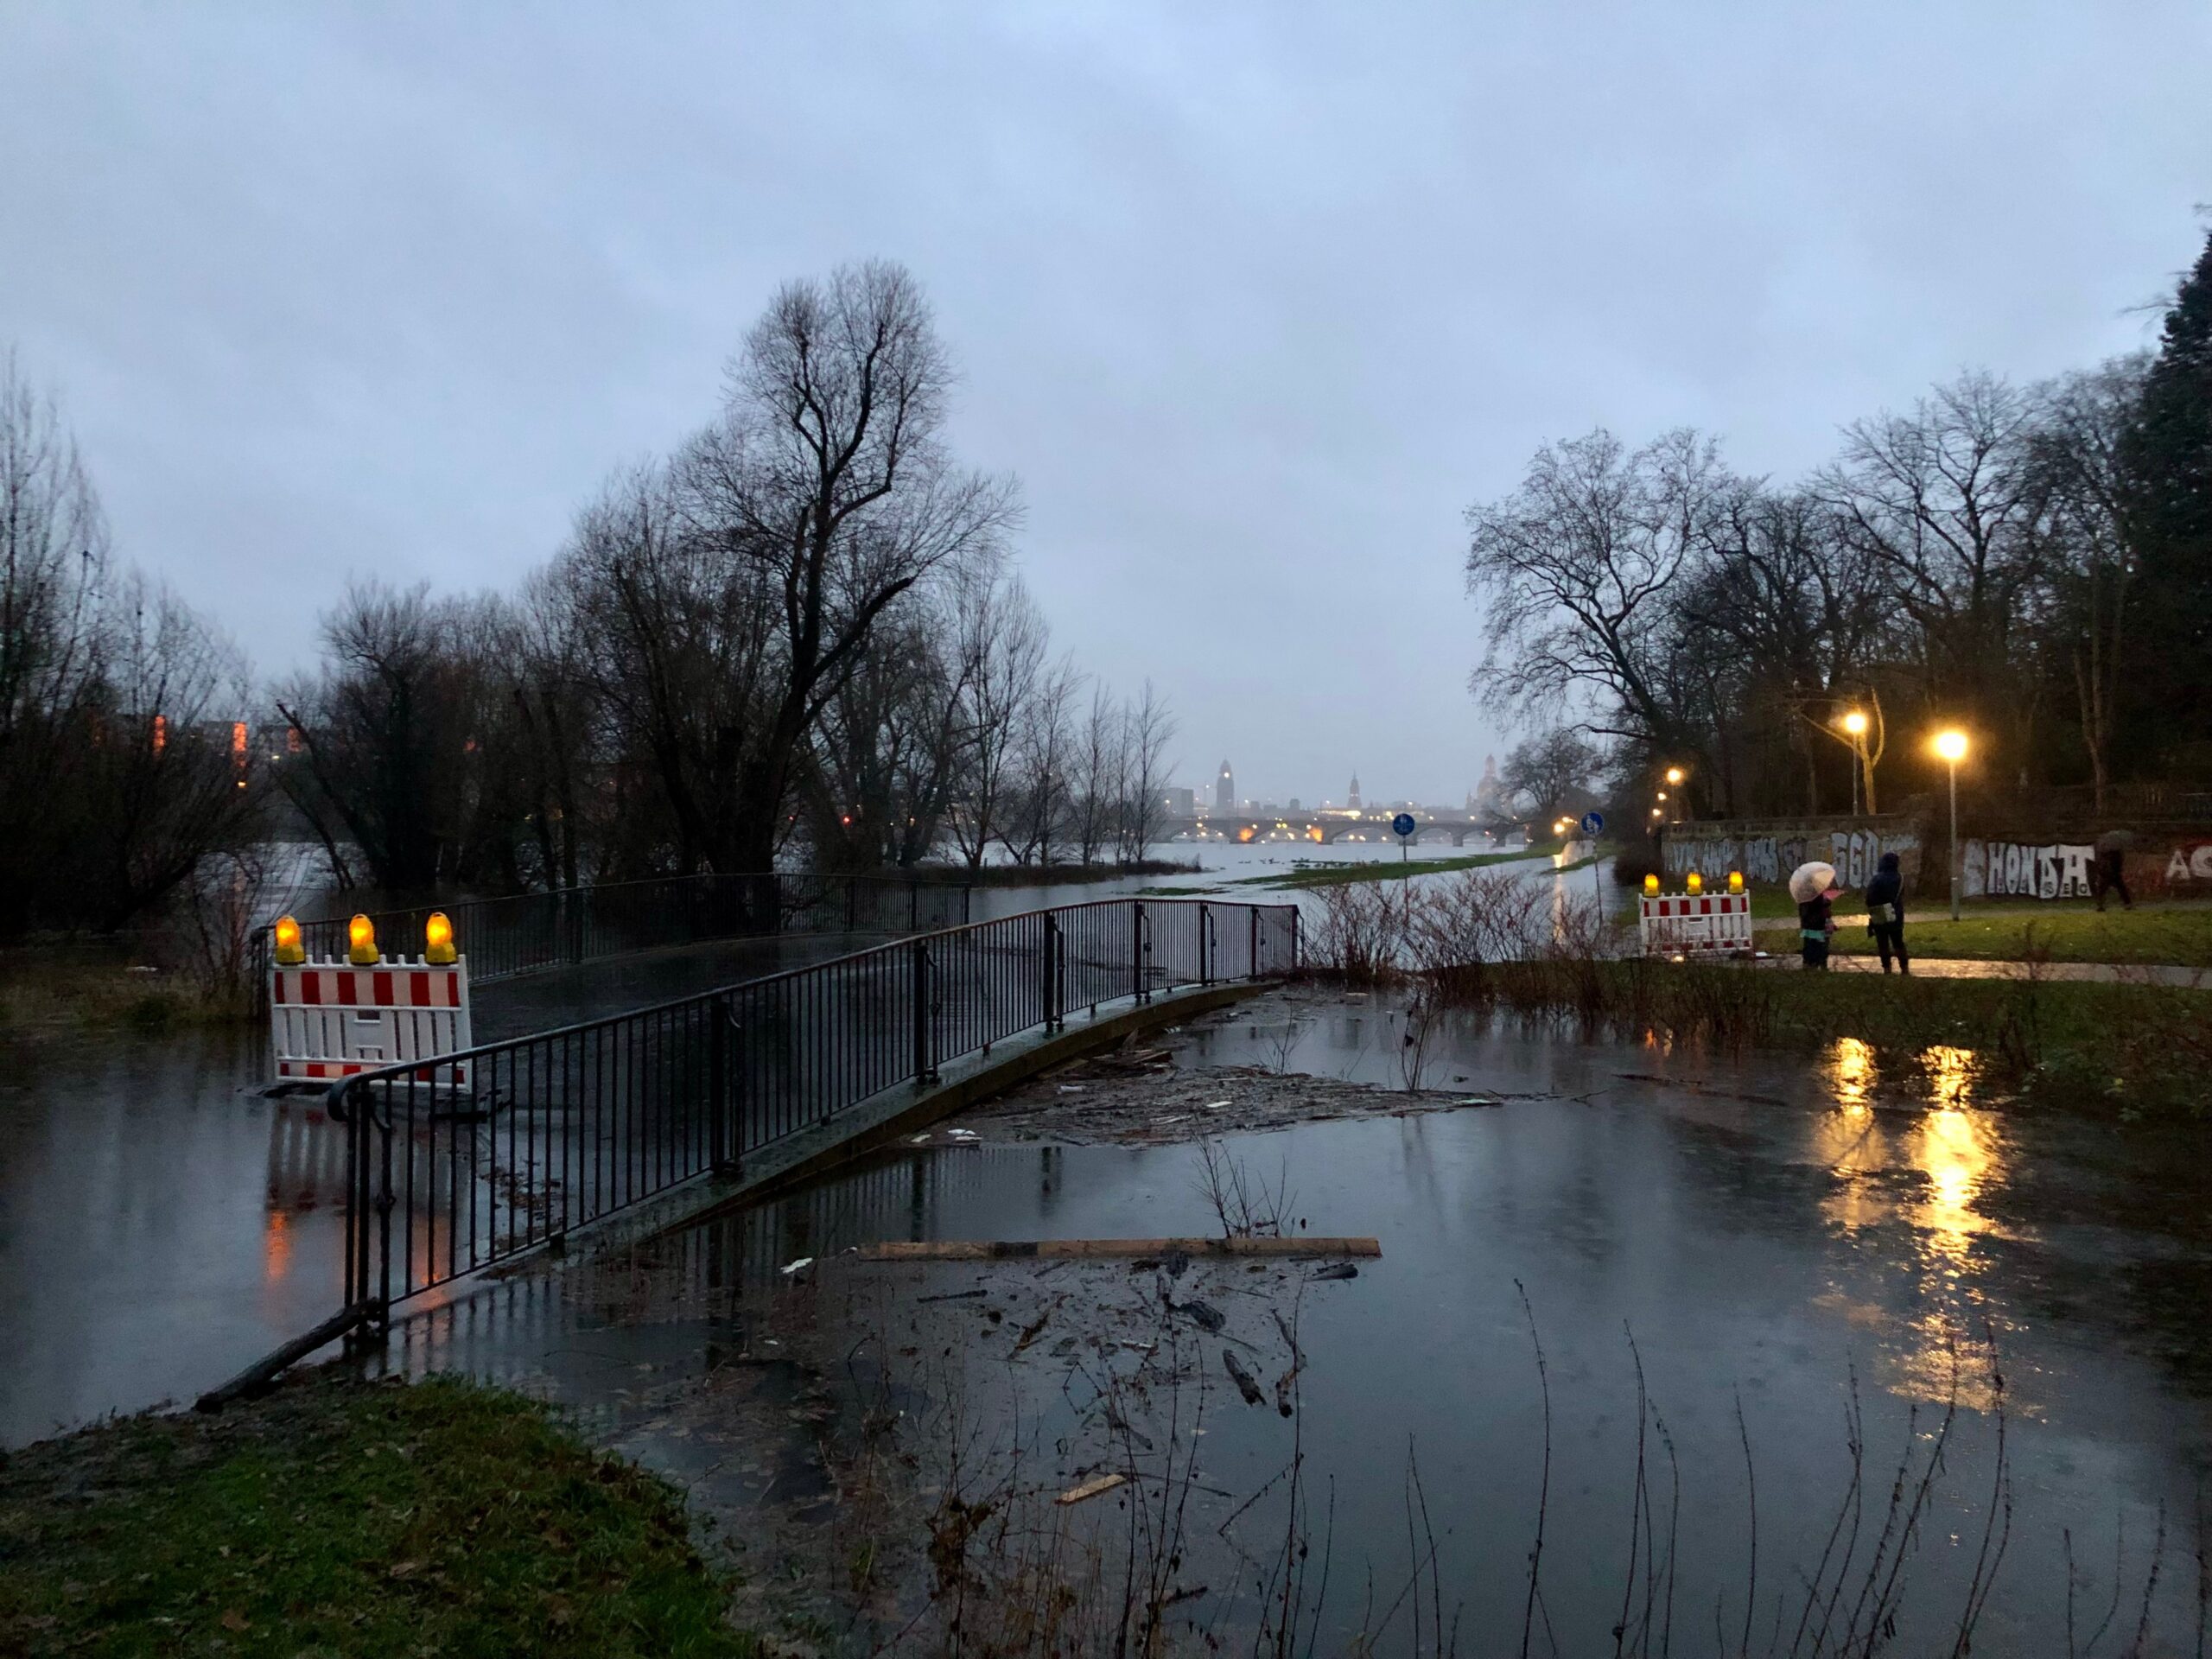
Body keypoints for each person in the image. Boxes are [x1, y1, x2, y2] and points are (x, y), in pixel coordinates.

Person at [1865, 850, 1910, 975]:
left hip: (1880, 913)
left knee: (1883, 942)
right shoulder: (1900, 877)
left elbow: (1870, 898)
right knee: (1898, 942)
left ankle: (1887, 968)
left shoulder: (1877, 879)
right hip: (1896, 914)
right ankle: (1904, 967)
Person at [1798, 881, 1840, 969]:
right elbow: (1819, 907)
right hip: (1817, 925)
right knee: (1819, 945)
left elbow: (1804, 912)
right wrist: (1827, 901)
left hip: (1807, 926)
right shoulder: (1817, 897)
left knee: (1809, 944)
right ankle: (1818, 962)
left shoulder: (1802, 897)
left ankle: (1809, 963)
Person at [2094, 827, 2134, 912]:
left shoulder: (2103, 851)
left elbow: (2100, 861)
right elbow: (2119, 863)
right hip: (2115, 873)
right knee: (2121, 888)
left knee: (2102, 890)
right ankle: (2128, 904)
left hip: (2105, 873)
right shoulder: (2117, 853)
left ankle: (2100, 905)